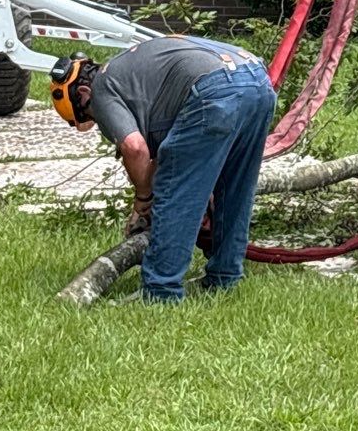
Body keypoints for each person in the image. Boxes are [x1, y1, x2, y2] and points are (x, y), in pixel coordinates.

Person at [50, 36, 276, 302]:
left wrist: (143, 200)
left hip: (213, 88)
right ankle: (225, 278)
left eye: (89, 117)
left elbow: (135, 148)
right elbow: (167, 154)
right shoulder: (134, 76)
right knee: (235, 187)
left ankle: (161, 292)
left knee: (176, 192)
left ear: (84, 95)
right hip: (258, 80)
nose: (98, 123)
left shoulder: (102, 87)